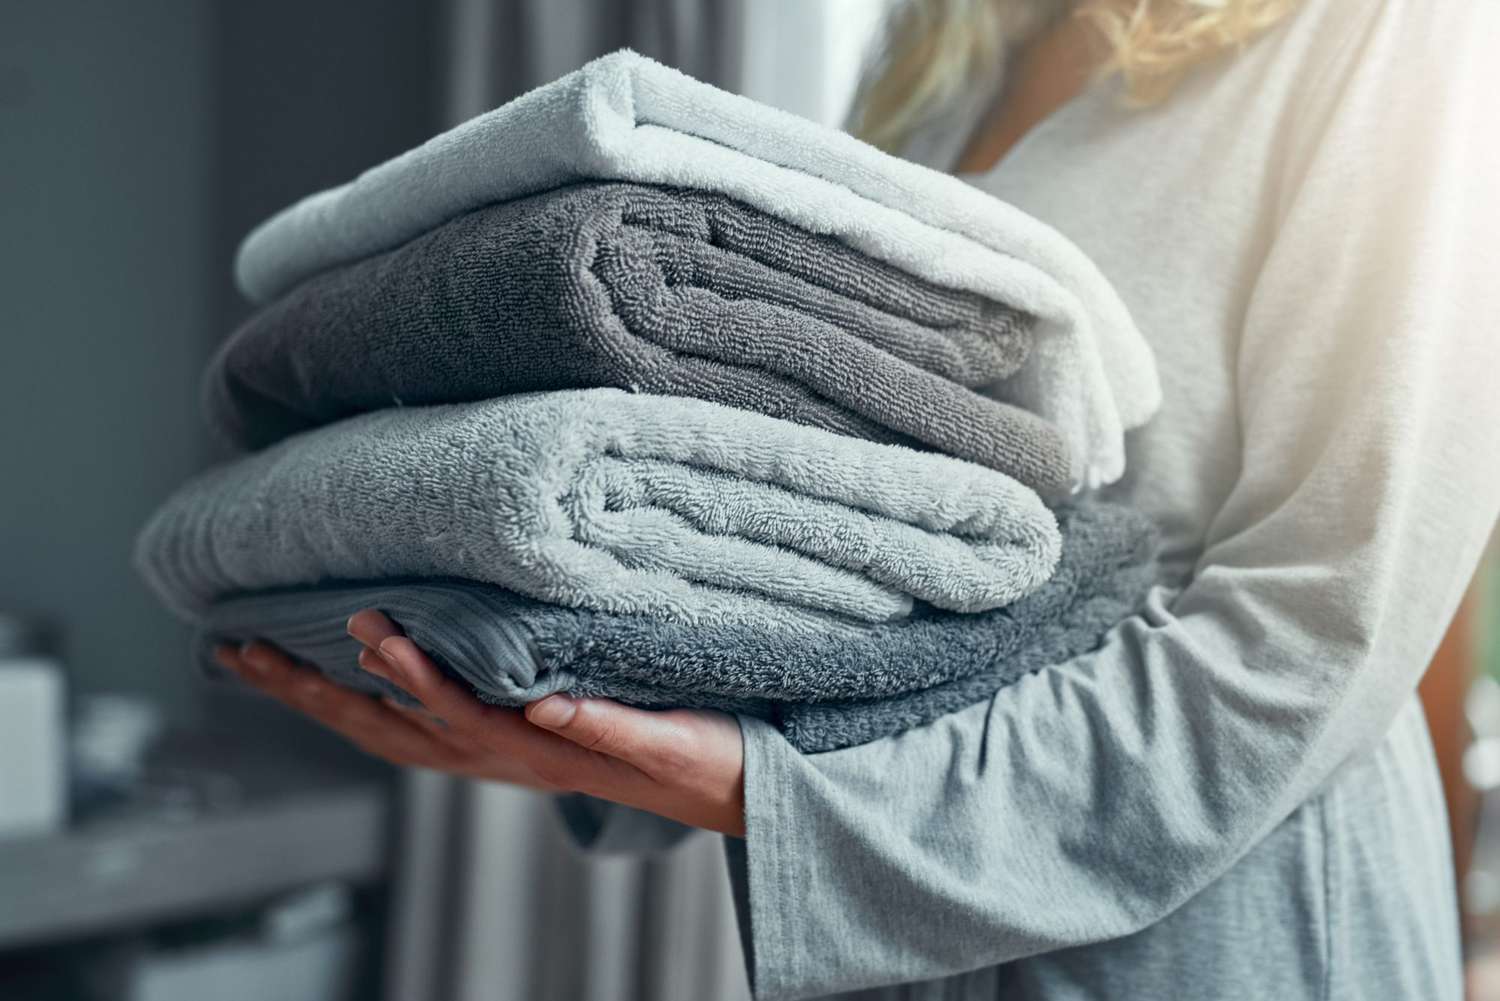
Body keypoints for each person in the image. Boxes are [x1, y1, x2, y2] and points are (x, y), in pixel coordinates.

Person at [214, 0, 1500, 997]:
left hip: (1222, 925)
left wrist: (761, 794)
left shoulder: (1392, 35)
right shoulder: (947, 60)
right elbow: (826, 532)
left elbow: (1316, 627)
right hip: (909, 938)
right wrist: (565, 702)